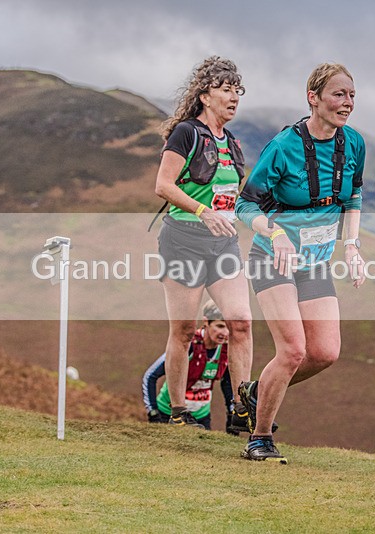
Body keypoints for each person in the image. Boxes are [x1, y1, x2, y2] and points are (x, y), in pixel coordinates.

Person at [235, 63, 365, 462]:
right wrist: (274, 233)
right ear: (314, 98)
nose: (347, 103)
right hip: (272, 258)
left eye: (352, 96)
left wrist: (352, 246)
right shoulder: (283, 147)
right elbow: (245, 203)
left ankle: (256, 392)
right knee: (292, 350)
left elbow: (353, 196)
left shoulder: (355, 143)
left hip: (314, 263)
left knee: (324, 352)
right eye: (339, 95)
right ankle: (259, 438)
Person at [152, 56, 252, 429]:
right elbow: (163, 185)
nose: (234, 97)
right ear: (206, 95)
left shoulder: (233, 143)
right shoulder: (186, 133)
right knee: (183, 330)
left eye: (237, 90)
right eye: (226, 89)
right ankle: (178, 411)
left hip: (223, 243)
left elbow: (230, 195)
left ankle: (243, 409)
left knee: (240, 322)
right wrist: (201, 211)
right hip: (184, 239)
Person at [142, 300, 238, 432]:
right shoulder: (188, 344)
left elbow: (227, 383)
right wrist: (153, 412)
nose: (225, 333)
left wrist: (232, 415)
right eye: (220, 326)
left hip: (201, 416)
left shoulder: (226, 350)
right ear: (206, 322)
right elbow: (150, 376)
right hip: (169, 414)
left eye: (229, 327)